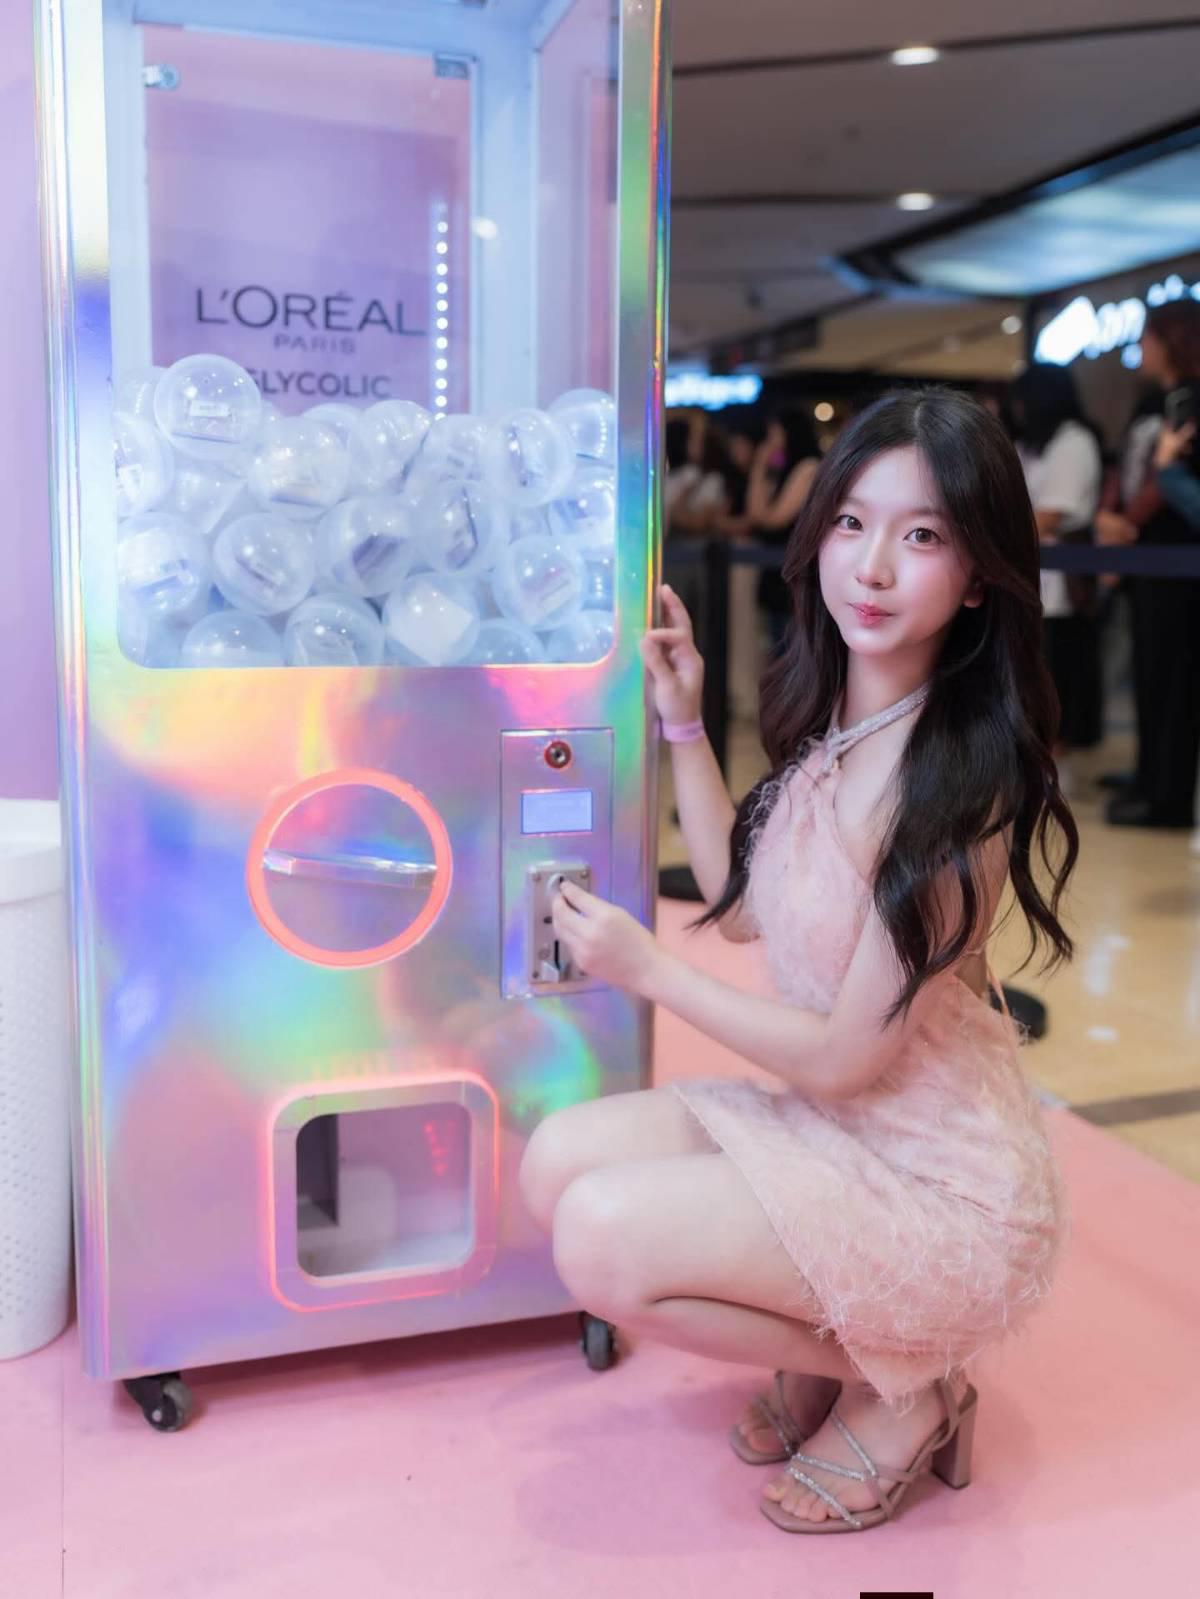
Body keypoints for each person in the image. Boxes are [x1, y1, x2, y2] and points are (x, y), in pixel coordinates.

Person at [520, 389, 1077, 1535]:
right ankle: (854, 1345)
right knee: (554, 1162)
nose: (872, 566)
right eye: (852, 523)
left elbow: (837, 1061)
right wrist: (684, 723)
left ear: (978, 577)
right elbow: (744, 907)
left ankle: (907, 1383)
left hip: (942, 1187)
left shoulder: (955, 801)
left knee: (601, 1242)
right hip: (840, 1131)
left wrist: (649, 970)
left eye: (922, 535)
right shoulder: (841, 729)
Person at [1097, 302, 1200, 828]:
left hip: (1176, 562)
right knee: (1150, 673)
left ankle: (1166, 793)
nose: (1141, 348)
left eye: (1149, 337)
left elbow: (1172, 479)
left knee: (1171, 676)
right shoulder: (1157, 402)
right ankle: (1150, 776)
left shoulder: (1190, 402)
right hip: (1149, 561)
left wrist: (1129, 523)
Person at [1008, 365, 1104, 750]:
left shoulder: (1074, 442)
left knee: (1060, 657)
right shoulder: (1031, 444)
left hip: (1064, 570)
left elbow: (1053, 512)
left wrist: (999, 538)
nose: (1016, 409)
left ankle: (1061, 735)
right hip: (1032, 566)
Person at [747, 410, 822, 650]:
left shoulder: (808, 467)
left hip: (793, 571)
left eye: (774, 433)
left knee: (789, 645)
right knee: (776, 640)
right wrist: (760, 466)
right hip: (775, 569)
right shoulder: (784, 468)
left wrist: (760, 462)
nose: (770, 441)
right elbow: (755, 513)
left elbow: (774, 519)